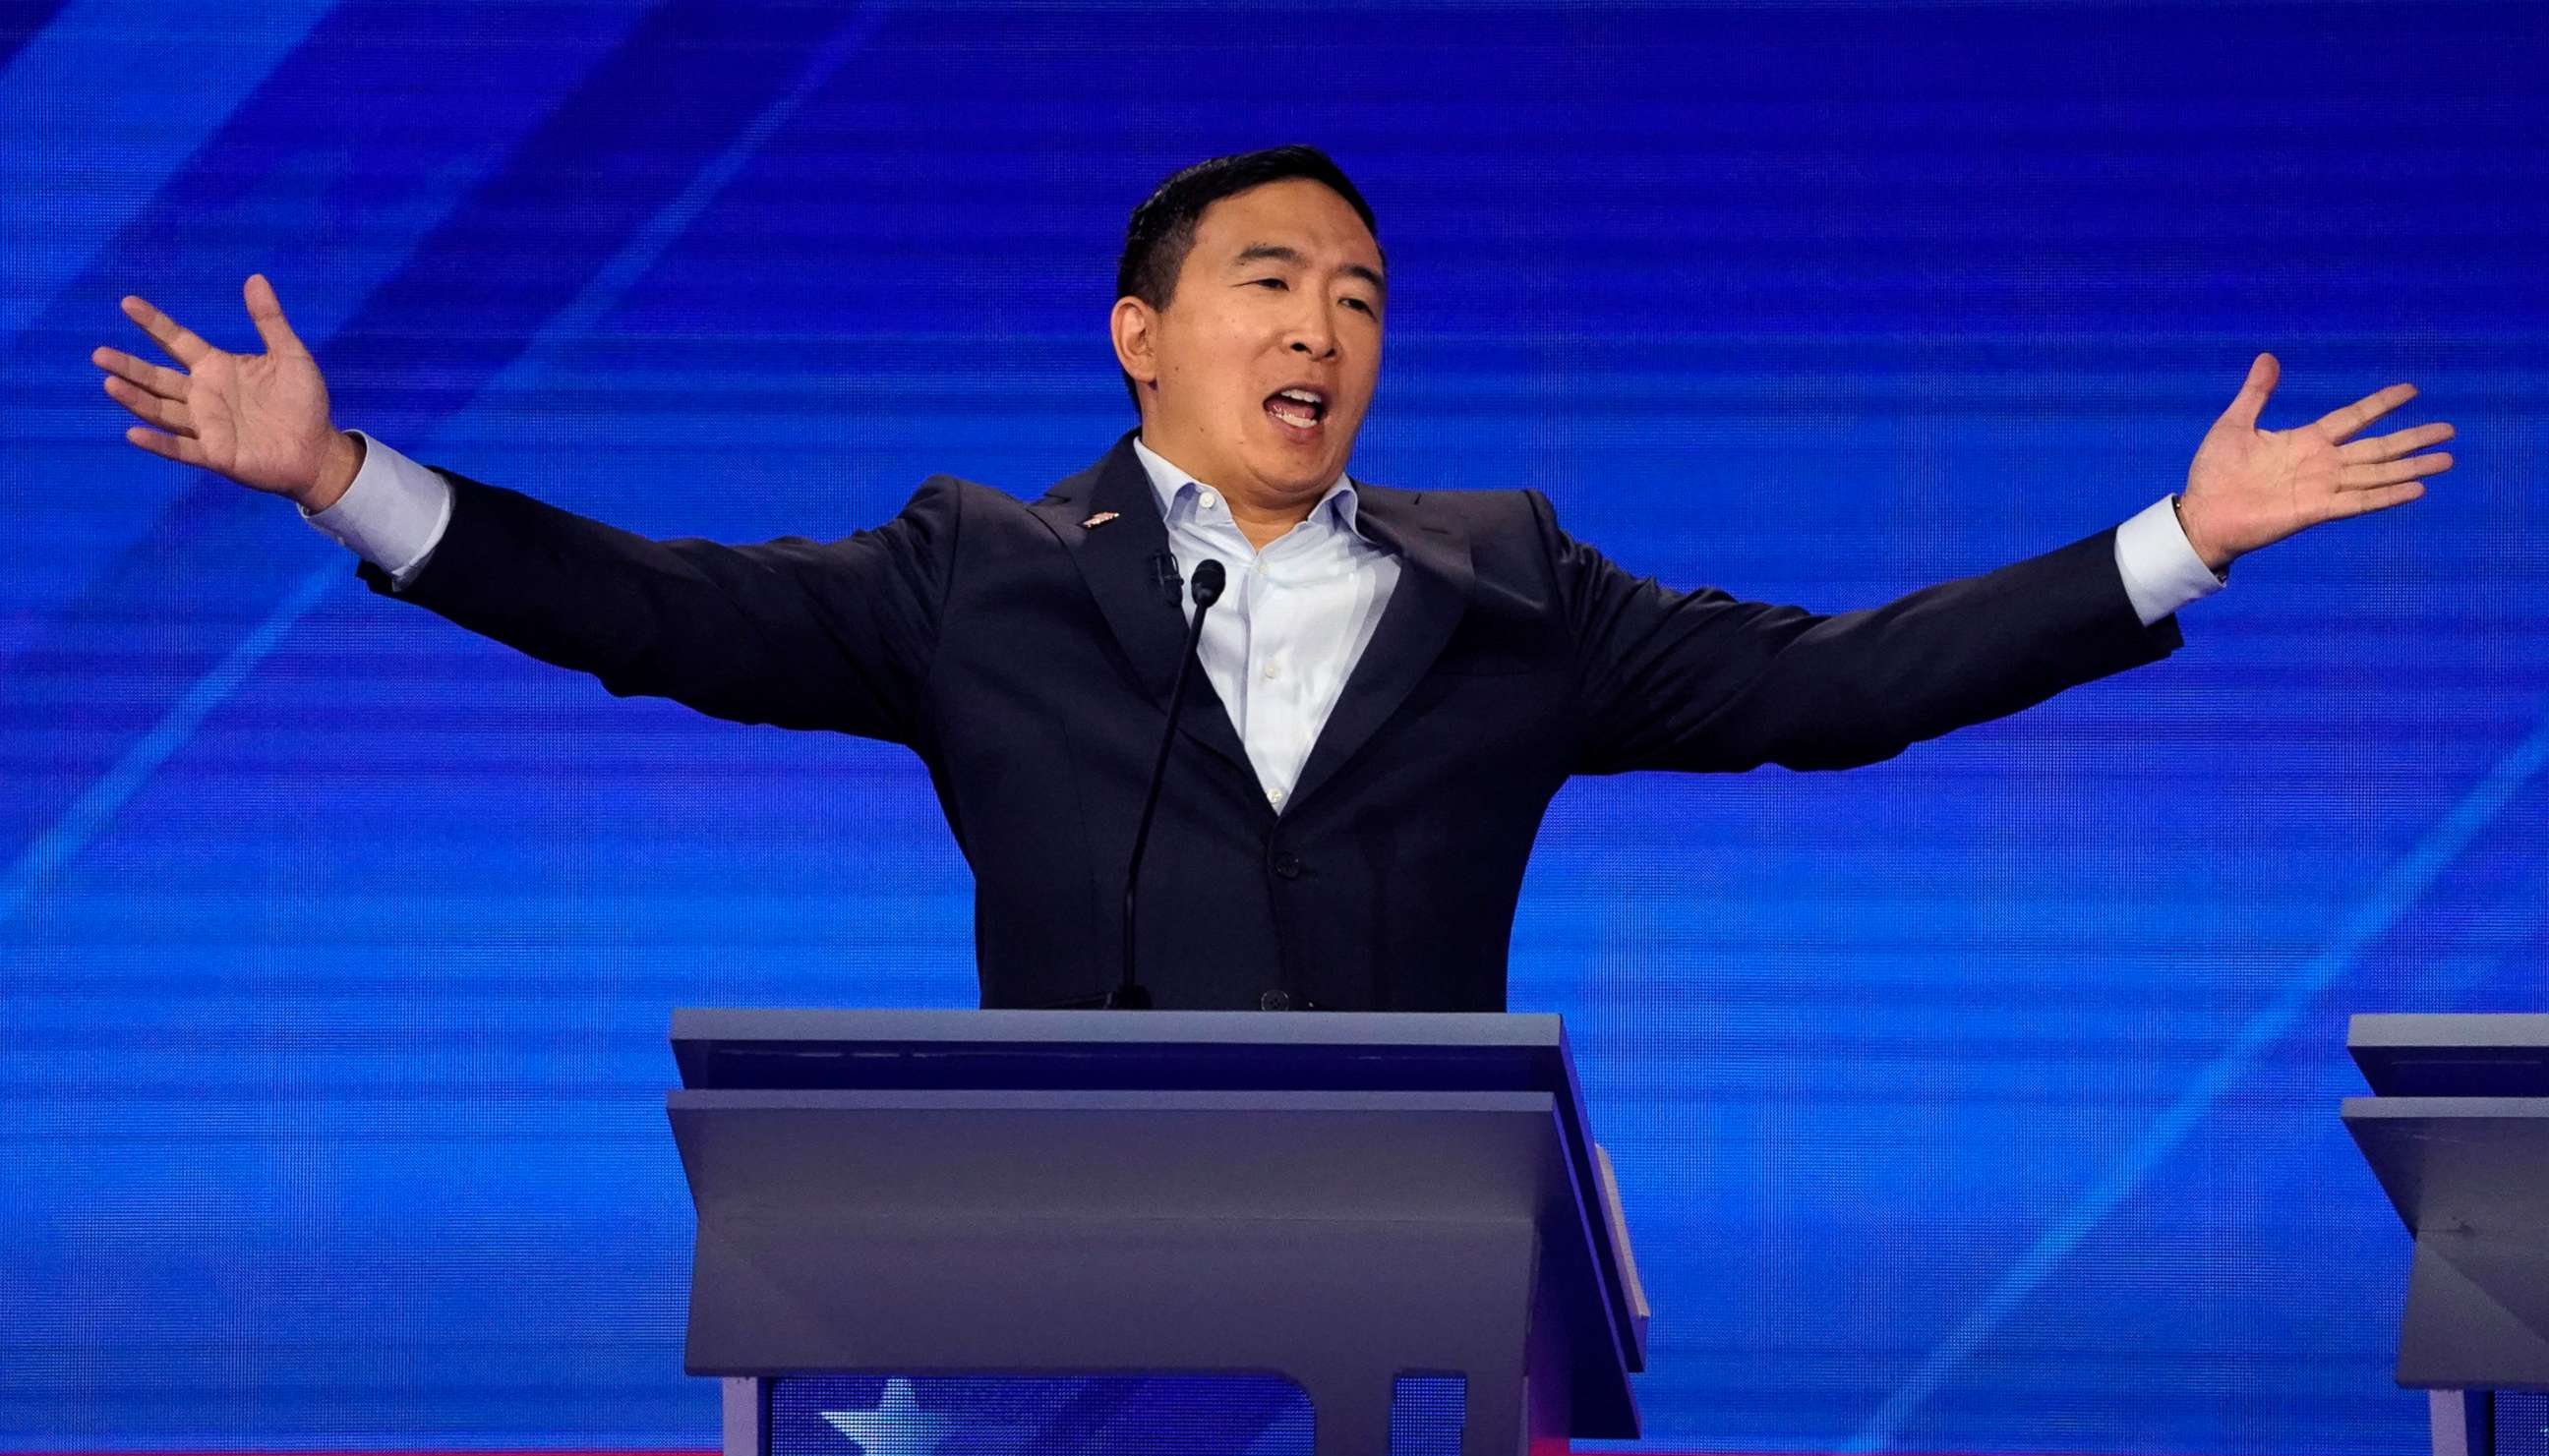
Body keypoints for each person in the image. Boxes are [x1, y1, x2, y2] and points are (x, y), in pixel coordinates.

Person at [89, 146, 2458, 1012]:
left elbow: (1833, 686)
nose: (1323, 325)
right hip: (1050, 1256)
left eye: (1359, 292)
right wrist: (347, 480)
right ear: (1144, 334)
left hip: (1415, 1259)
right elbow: (659, 612)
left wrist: (2174, 544)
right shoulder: (973, 574)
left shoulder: (1510, 583)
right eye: (1268, 281)